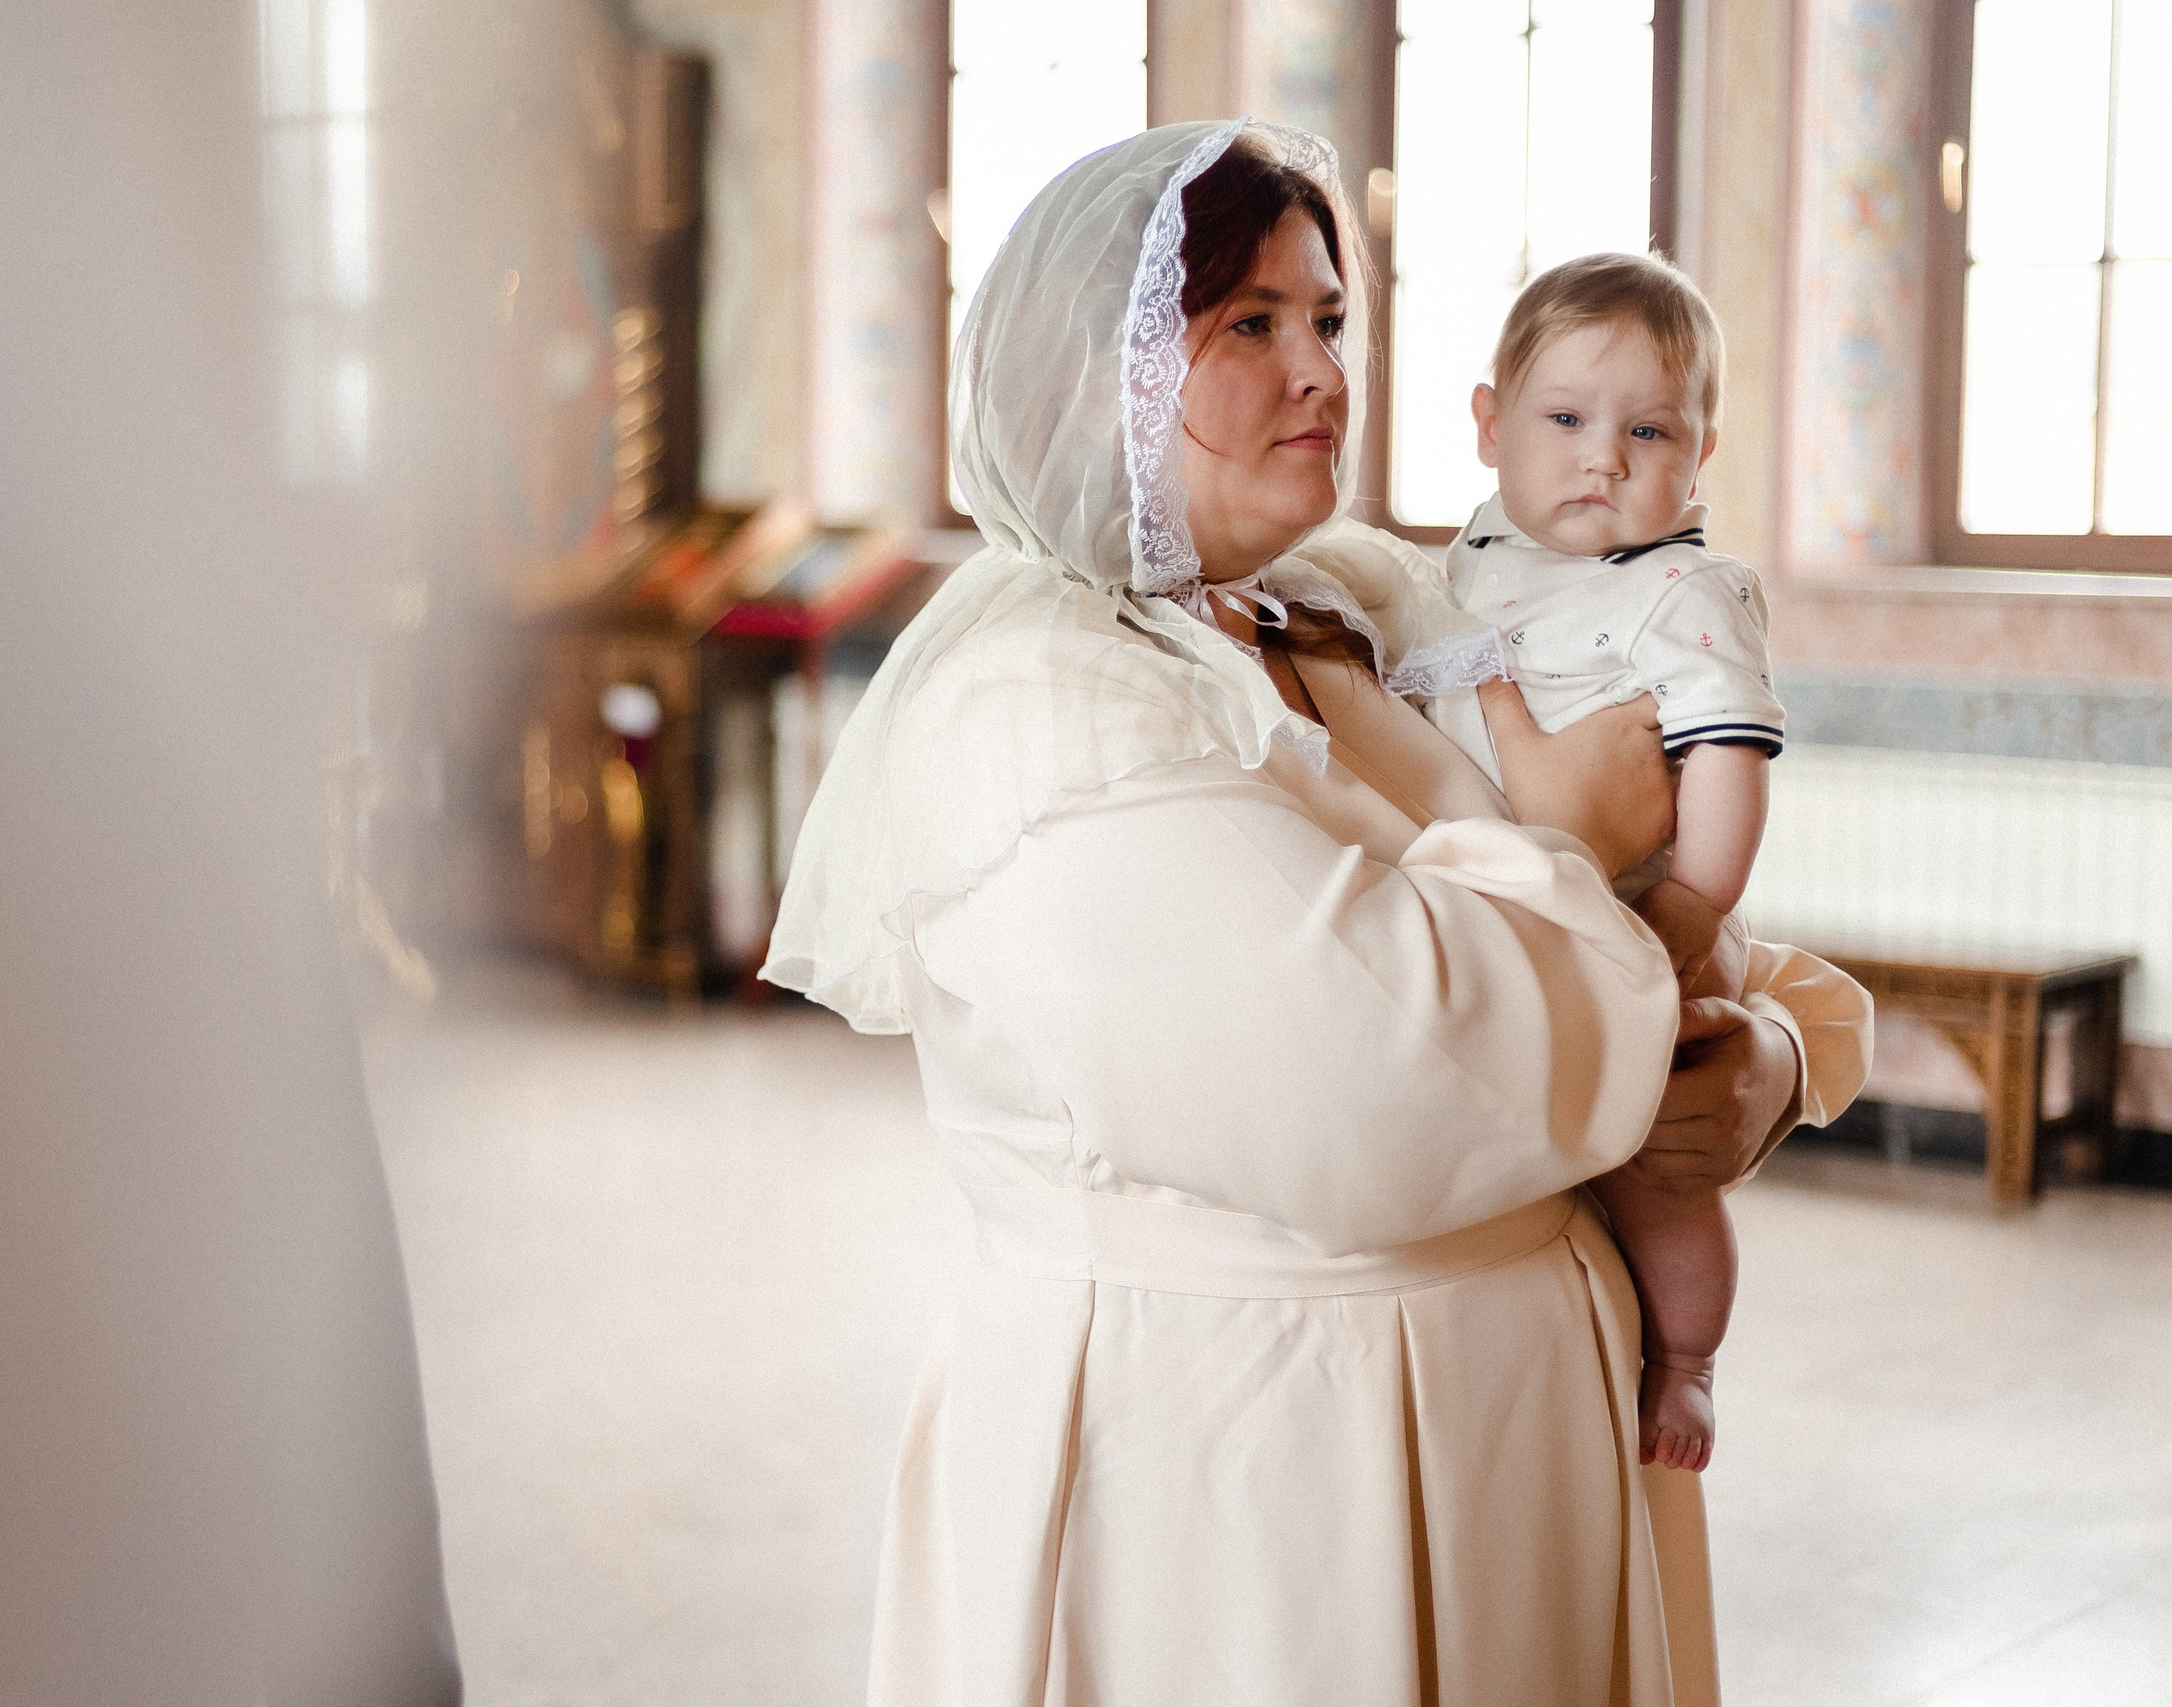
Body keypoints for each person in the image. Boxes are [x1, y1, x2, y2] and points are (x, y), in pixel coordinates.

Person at [764, 120, 1870, 1707]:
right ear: (1101, 380)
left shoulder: (1358, 601)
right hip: (1252, 1474)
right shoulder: (1042, 705)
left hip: (1523, 1444)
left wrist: (1763, 1060)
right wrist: (1571, 839)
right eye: (1252, 327)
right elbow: (1387, 1088)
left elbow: (1688, 930)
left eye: (1331, 319)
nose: (1322, 372)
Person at [1437, 251, 1787, 1474]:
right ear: (1488, 426)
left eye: (1648, 430)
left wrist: (1695, 900)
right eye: (1566, 419)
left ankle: (1685, 1361)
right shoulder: (1473, 551)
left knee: (1655, 1161)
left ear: (1700, 455)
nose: (1603, 458)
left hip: (1653, 904)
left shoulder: (1685, 589)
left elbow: (1727, 758)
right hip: (1512, 899)